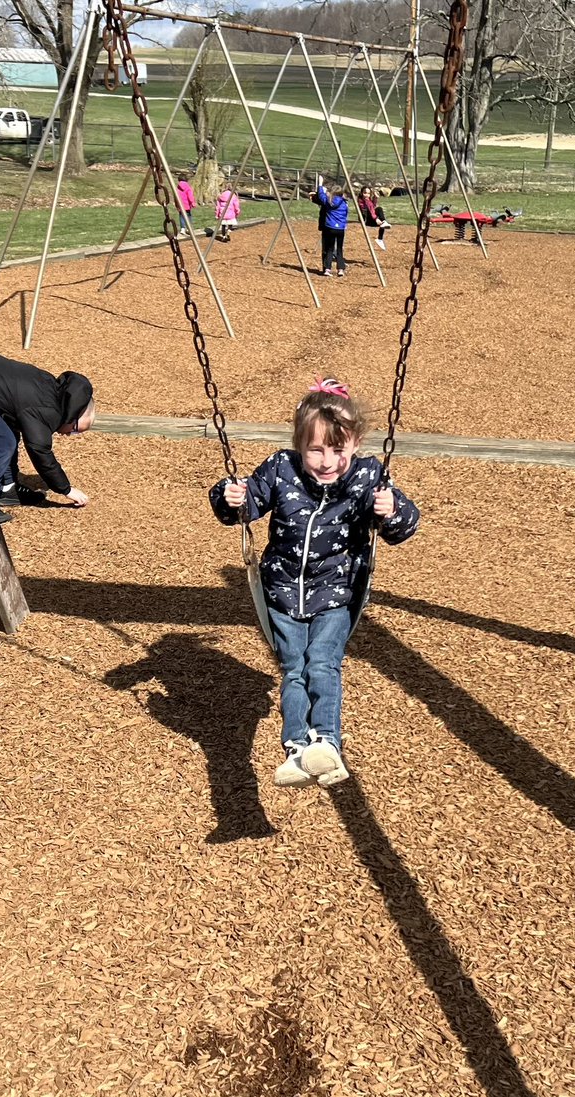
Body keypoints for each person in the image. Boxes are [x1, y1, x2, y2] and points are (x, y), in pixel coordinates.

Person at [208, 376, 420, 788]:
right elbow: (247, 504)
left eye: (337, 450)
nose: (326, 461)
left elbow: (403, 527)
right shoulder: (281, 469)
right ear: (299, 444)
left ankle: (326, 741)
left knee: (321, 665)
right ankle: (296, 751)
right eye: (315, 449)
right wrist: (229, 496)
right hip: (282, 593)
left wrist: (391, 509)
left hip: (337, 594)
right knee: (292, 670)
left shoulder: (367, 478)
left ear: (355, 444)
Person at [0, 353, 96, 525]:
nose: (70, 435)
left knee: (9, 431)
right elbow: (40, 451)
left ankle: (7, 490)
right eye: (76, 430)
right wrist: (66, 489)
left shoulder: (52, 392)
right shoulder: (46, 410)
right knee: (1, 444)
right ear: (72, 416)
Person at [311, 175, 348, 276]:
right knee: (339, 248)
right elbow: (345, 214)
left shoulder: (329, 201)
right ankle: (340, 269)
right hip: (340, 228)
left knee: (329, 248)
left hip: (330, 227)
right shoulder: (344, 203)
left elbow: (321, 196)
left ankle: (327, 269)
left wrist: (320, 184)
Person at [357, 184, 391, 250]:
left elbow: (373, 207)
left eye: (368, 193)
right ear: (361, 193)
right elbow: (369, 210)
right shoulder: (361, 201)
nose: (367, 195)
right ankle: (383, 222)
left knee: (381, 217)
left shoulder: (368, 200)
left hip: (371, 218)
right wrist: (376, 219)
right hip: (366, 220)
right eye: (365, 193)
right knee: (378, 210)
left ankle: (380, 239)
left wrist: (375, 198)